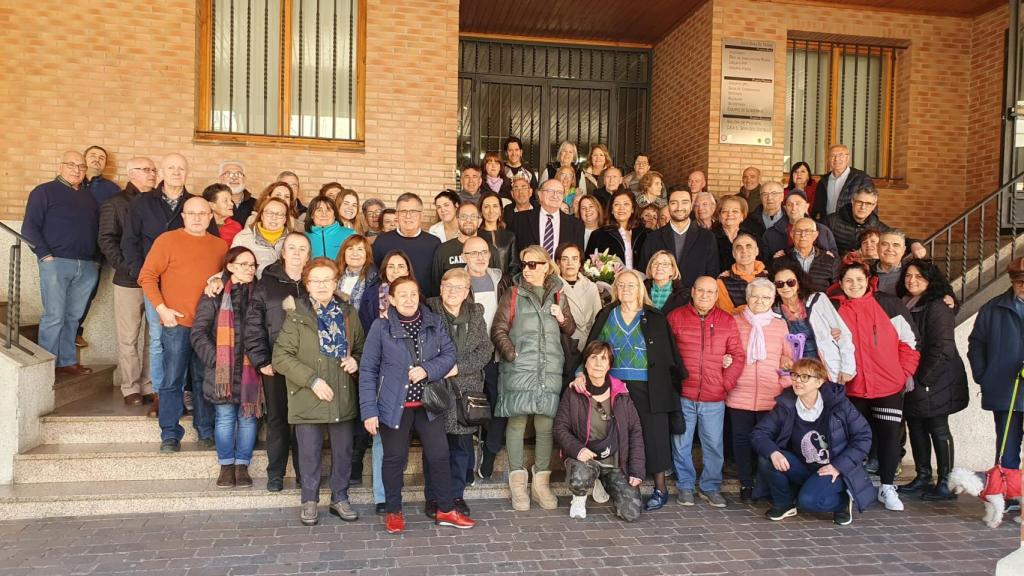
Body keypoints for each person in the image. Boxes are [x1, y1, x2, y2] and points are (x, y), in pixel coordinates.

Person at [359, 276, 474, 533]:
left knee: (439, 456)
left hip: (428, 405)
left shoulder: (433, 322)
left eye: (413, 294)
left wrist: (426, 369)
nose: (409, 300)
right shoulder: (381, 327)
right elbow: (367, 370)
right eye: (402, 295)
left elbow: (449, 356)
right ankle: (393, 511)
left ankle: (446, 509)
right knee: (394, 459)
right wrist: (369, 410)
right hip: (393, 405)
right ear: (391, 299)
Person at [577, 269, 685, 511]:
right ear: (615, 290)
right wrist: (581, 372)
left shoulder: (654, 317)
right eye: (621, 285)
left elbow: (668, 356)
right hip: (615, 387)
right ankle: (620, 484)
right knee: (618, 435)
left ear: (640, 289)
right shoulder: (607, 314)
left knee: (654, 435)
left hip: (650, 386)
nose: (626, 290)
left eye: (631, 285)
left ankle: (660, 488)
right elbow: (593, 347)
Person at [273, 258, 363, 526]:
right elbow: (280, 356)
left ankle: (340, 497)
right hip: (308, 395)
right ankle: (309, 500)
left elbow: (361, 347)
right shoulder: (296, 314)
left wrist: (356, 360)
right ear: (307, 284)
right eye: (316, 281)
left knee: (343, 450)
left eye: (328, 280)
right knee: (309, 452)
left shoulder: (349, 313)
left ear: (336, 283)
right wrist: (311, 381)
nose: (322, 285)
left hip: (342, 393)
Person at [122, 153, 213, 418]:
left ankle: (184, 392)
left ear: (187, 172)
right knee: (159, 339)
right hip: (155, 283)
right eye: (171, 167)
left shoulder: (196, 204)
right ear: (162, 171)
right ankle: (163, 394)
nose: (176, 172)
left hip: (188, 285)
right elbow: (129, 241)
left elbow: (213, 242)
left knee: (190, 340)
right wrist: (143, 273)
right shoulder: (142, 202)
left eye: (181, 168)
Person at [137, 196, 227, 452]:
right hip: (176, 323)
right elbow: (147, 276)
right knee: (173, 378)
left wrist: (221, 278)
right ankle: (170, 433)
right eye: (192, 213)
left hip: (207, 326)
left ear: (210, 216)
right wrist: (161, 309)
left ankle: (205, 430)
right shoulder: (167, 241)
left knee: (203, 378)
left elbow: (225, 276)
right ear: (183, 216)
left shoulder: (220, 246)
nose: (197, 217)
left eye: (202, 213)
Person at [830, 259, 920, 512]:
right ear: (841, 284)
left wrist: (902, 374)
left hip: (888, 386)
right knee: (854, 438)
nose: (854, 285)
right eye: (849, 280)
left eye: (859, 280)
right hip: (853, 387)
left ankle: (888, 486)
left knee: (890, 437)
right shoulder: (835, 309)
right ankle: (854, 484)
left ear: (868, 281)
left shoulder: (889, 304)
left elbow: (910, 342)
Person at [491, 245, 576, 511]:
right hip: (519, 368)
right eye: (524, 264)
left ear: (546, 266)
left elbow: (571, 328)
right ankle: (518, 484)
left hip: (549, 368)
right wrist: (511, 354)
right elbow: (498, 329)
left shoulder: (559, 295)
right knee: (516, 423)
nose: (527, 269)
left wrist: (561, 318)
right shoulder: (513, 294)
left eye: (533, 264)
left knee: (545, 425)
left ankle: (541, 484)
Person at [751, 358, 875, 525]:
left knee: (808, 501)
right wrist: (774, 452)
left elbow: (863, 435)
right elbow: (760, 433)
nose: (797, 381)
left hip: (833, 469)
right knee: (767, 458)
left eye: (804, 377)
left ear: (819, 382)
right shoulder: (786, 403)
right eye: (794, 375)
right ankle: (784, 504)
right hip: (803, 466)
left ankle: (842, 502)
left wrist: (838, 466)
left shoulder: (839, 404)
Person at [666, 276, 744, 507]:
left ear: (716, 296)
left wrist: (724, 384)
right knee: (681, 442)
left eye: (710, 292)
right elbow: (667, 356)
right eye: (700, 291)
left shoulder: (727, 320)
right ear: (692, 291)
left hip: (713, 396)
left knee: (713, 444)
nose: (705, 296)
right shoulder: (676, 318)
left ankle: (710, 486)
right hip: (684, 395)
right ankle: (686, 486)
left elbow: (738, 356)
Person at [22, 150, 100, 376]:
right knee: (54, 315)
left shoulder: (89, 198)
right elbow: (30, 228)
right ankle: (46, 367)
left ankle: (66, 361)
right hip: (56, 263)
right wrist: (45, 256)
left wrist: (94, 260)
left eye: (81, 167)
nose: (77, 170)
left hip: (85, 266)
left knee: (73, 317)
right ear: (61, 166)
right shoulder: (43, 192)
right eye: (72, 165)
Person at [896, 259, 968, 501]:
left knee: (938, 428)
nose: (912, 280)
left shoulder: (937, 305)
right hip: (913, 378)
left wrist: (924, 379)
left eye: (918, 276)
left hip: (935, 378)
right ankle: (922, 476)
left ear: (930, 279)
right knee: (916, 427)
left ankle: (946, 481)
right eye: (908, 275)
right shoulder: (906, 304)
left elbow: (943, 348)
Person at [244, 232, 310, 492]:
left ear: (308, 254)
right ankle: (276, 474)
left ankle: (306, 474)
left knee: (305, 423)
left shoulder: (314, 282)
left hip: (307, 367)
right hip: (275, 364)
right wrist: (261, 360)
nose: (296, 253)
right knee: (278, 421)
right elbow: (253, 325)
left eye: (302, 249)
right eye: (291, 247)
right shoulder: (266, 284)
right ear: (283, 252)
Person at [425, 268, 494, 519]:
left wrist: (459, 368)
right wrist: (443, 368)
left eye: (459, 288)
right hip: (438, 389)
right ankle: (433, 497)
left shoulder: (476, 314)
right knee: (435, 448)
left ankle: (455, 496)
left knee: (461, 448)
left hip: (466, 392)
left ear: (467, 292)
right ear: (440, 288)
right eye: (448, 287)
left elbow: (485, 350)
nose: (453, 292)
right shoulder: (429, 311)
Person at [190, 247, 260, 489]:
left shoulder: (259, 294)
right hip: (221, 371)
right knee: (225, 417)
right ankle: (226, 465)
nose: (249, 269)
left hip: (252, 369)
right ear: (229, 266)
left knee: (249, 418)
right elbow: (198, 332)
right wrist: (217, 360)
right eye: (243, 264)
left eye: (252, 265)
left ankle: (242, 465)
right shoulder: (215, 294)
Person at [554, 341, 645, 521]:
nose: (597, 363)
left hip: (614, 461)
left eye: (603, 359)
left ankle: (601, 482)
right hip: (586, 458)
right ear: (585, 363)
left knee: (632, 513)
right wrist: (577, 449)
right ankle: (579, 498)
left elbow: (635, 430)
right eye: (593, 357)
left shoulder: (621, 393)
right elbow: (560, 427)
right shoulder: (574, 392)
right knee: (580, 476)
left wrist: (636, 469)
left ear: (610, 364)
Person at [727, 278, 793, 502]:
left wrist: (786, 366)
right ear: (747, 298)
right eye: (755, 296)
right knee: (742, 440)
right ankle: (746, 483)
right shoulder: (734, 321)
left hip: (770, 394)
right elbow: (725, 350)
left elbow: (789, 358)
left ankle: (764, 484)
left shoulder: (780, 324)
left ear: (772, 300)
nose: (760, 301)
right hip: (739, 391)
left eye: (766, 297)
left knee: (768, 442)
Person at [98, 156, 157, 405]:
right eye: (146, 170)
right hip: (128, 280)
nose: (152, 174)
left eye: (154, 170)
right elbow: (107, 240)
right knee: (128, 337)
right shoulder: (115, 203)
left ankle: (149, 384)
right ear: (131, 174)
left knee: (154, 337)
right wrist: (130, 268)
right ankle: (130, 387)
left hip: (156, 280)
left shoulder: (157, 204)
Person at [967, 258, 1024, 493]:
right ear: (1011, 281)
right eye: (1019, 281)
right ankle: (1009, 495)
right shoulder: (993, 307)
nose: (1023, 286)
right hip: (1005, 391)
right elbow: (976, 345)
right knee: (1007, 448)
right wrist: (984, 376)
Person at [461, 236, 512, 480]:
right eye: (473, 253)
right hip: (469, 353)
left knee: (499, 404)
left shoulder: (501, 279)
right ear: (464, 257)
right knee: (469, 405)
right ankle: (468, 461)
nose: (480, 257)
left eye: (483, 252)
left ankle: (490, 451)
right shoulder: (457, 281)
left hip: (497, 352)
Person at [770, 263, 856, 383]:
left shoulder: (817, 300)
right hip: (796, 372)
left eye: (791, 282)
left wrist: (847, 368)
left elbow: (843, 334)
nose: (785, 287)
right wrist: (781, 357)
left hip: (826, 367)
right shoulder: (773, 311)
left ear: (799, 283)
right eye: (779, 284)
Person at [640, 186, 719, 290]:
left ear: (691, 206)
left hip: (693, 302)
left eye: (685, 202)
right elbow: (644, 273)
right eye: (674, 203)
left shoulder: (707, 238)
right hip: (661, 302)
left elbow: (712, 275)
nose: (679, 207)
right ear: (668, 206)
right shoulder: (653, 238)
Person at [825, 184, 926, 258]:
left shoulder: (876, 225)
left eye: (868, 203)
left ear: (874, 206)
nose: (863, 207)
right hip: (837, 269)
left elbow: (898, 239)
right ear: (852, 202)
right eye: (859, 202)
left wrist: (915, 244)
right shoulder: (831, 221)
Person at [371, 193, 441, 296]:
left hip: (425, 304)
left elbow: (437, 279)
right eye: (403, 211)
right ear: (397, 215)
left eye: (413, 211)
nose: (408, 216)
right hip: (389, 302)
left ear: (421, 215)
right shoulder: (382, 240)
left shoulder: (434, 243)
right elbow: (374, 274)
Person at [509, 179, 585, 260]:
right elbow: (513, 255)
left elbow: (578, 258)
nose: (555, 196)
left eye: (559, 192)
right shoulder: (519, 220)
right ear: (540, 194)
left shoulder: (575, 224)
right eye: (550, 191)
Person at [772, 217, 839, 294]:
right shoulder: (780, 260)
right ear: (791, 234)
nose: (803, 235)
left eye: (807, 231)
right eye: (798, 231)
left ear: (815, 235)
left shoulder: (830, 261)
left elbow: (835, 290)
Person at [585, 190, 648, 270]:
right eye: (617, 204)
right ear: (611, 210)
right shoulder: (598, 235)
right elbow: (588, 266)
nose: (621, 208)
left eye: (626, 204)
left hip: (641, 281)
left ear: (632, 209)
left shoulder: (644, 234)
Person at [556, 243, 601, 355]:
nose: (570, 263)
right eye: (564, 259)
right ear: (558, 263)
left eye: (574, 259)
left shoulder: (591, 287)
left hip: (588, 344)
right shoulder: (553, 286)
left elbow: (598, 319)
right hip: (562, 345)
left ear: (580, 262)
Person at [811, 144, 874, 220]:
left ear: (847, 158)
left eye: (840, 155)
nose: (836, 159)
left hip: (850, 227)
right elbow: (818, 207)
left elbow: (871, 206)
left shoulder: (861, 178)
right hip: (827, 225)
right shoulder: (823, 181)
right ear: (828, 159)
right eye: (832, 155)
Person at [231, 197, 290, 278]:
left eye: (280, 214)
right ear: (261, 216)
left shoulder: (293, 240)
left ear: (285, 219)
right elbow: (231, 267)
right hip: (254, 288)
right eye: (269, 213)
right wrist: (218, 280)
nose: (274, 218)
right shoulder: (243, 238)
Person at [771, 189, 837, 257]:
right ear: (785, 208)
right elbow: (766, 262)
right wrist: (776, 261)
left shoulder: (823, 230)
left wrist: (830, 257)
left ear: (806, 206)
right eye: (789, 205)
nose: (794, 208)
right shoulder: (772, 233)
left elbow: (836, 258)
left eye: (798, 204)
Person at [431, 202, 480, 288]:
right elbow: (435, 286)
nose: (468, 220)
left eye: (473, 216)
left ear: (479, 221)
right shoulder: (443, 250)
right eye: (463, 216)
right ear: (457, 220)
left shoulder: (489, 250)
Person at [716, 233, 767, 314]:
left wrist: (741, 309)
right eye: (739, 247)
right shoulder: (722, 282)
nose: (744, 250)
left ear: (757, 251)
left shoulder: (769, 277)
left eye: (748, 246)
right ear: (733, 254)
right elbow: (727, 315)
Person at [740, 181, 786, 252]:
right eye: (765, 194)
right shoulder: (749, 220)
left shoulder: (790, 220)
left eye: (774, 193)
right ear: (760, 198)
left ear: (782, 196)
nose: (769, 198)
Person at [478, 191, 516, 273]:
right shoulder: (476, 236)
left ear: (500, 210)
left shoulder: (510, 236)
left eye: (495, 206)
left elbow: (514, 265)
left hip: (506, 283)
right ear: (481, 210)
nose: (491, 211)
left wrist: (505, 283)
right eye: (486, 207)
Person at [335, 234, 376, 310]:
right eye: (350, 249)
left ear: (367, 255)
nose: (355, 253)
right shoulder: (334, 275)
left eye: (360, 249)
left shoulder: (374, 279)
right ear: (344, 253)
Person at [305, 195, 352, 259]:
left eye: (328, 210)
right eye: (319, 210)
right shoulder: (304, 237)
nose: (324, 214)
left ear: (334, 214)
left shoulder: (350, 234)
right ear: (312, 215)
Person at [644, 250, 690, 315]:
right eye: (655, 263)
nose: (659, 267)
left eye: (665, 264)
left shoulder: (684, 294)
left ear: (672, 270)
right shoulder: (640, 290)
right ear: (650, 268)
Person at [713, 195, 747, 272]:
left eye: (735, 211)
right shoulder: (710, 237)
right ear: (719, 216)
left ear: (742, 215)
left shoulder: (751, 236)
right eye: (724, 211)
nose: (730, 214)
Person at [219, 161, 255, 227]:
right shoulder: (210, 203)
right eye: (228, 174)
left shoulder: (257, 204)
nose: (234, 178)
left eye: (239, 174)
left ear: (244, 179)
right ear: (221, 178)